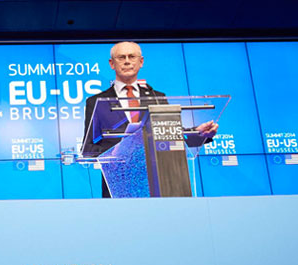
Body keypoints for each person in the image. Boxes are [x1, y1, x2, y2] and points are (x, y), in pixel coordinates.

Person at [83, 41, 218, 197]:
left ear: (141, 62)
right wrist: (115, 153)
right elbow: (88, 149)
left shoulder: (157, 97)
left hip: (158, 184)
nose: (127, 61)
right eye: (121, 57)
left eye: (132, 56)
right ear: (112, 64)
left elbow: (170, 136)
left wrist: (198, 134)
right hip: (118, 187)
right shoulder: (96, 102)